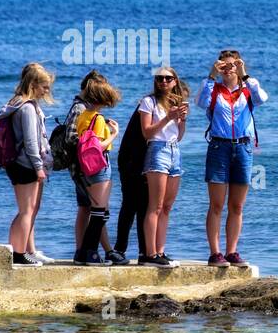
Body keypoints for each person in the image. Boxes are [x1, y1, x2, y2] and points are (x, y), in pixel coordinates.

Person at [199, 49, 267, 267]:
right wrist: (211, 75)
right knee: (216, 204)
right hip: (219, 147)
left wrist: (245, 74)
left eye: (233, 65)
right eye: (224, 65)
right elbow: (200, 102)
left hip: (244, 148)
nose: (229, 69)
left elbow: (262, 98)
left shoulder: (247, 90)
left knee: (237, 206)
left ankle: (232, 252)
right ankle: (215, 253)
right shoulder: (214, 90)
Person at [64, 72, 126, 264]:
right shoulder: (96, 117)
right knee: (100, 211)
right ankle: (90, 253)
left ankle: (86, 252)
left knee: (92, 209)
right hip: (97, 167)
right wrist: (114, 134)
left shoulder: (84, 114)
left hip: (83, 168)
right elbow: (98, 146)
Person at [0, 63, 55, 266]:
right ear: (33, 84)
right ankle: (19, 254)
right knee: (26, 211)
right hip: (26, 164)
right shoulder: (27, 108)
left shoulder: (19, 103)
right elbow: (31, 142)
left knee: (27, 210)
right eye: (44, 86)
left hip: (19, 163)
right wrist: (39, 167)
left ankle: (22, 251)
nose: (47, 91)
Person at [138, 66, 189, 267]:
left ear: (175, 81)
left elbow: (180, 135)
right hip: (157, 150)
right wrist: (168, 118)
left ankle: (160, 251)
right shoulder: (148, 102)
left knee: (167, 207)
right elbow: (147, 133)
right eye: (160, 78)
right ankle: (150, 254)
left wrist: (181, 119)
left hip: (174, 150)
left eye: (168, 79)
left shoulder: (176, 103)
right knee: (155, 206)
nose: (164, 82)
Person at [113, 101, 149, 261]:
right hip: (132, 160)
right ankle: (121, 249)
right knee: (131, 205)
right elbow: (146, 134)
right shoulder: (149, 105)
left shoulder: (152, 105)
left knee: (140, 207)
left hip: (135, 158)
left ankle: (142, 251)